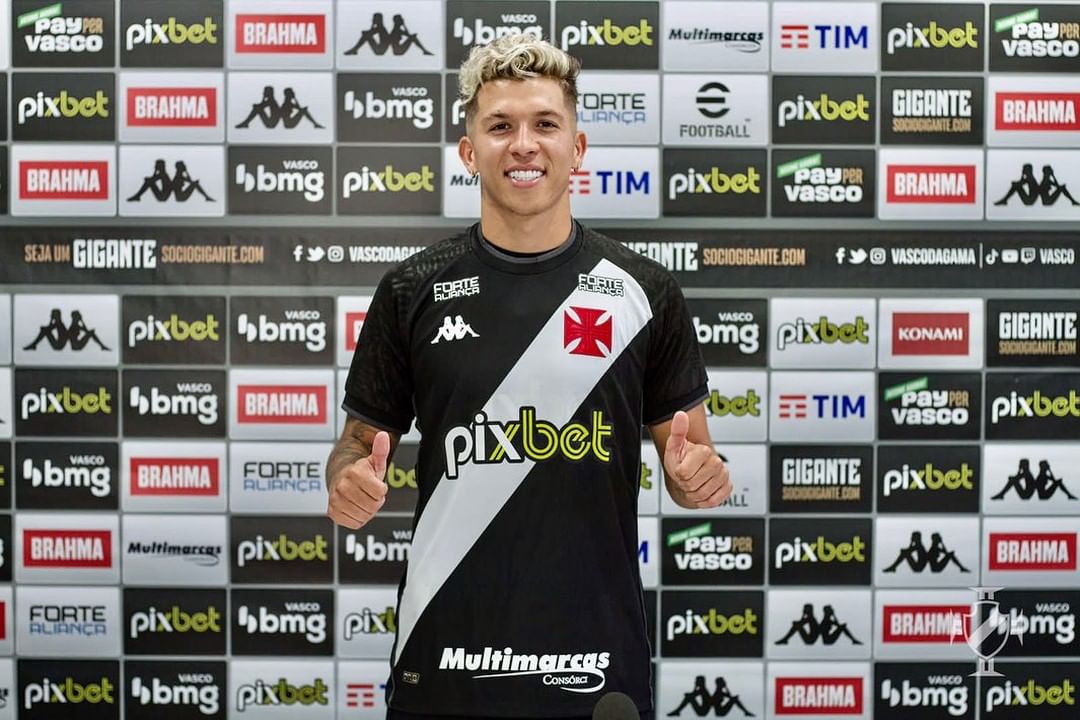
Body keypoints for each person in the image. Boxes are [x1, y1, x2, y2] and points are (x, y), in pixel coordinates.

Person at [326, 33, 729, 720]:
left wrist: (700, 480)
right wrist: (347, 482)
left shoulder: (645, 291)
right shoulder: (411, 289)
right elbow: (357, 445)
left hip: (595, 666)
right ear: (468, 151)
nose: (523, 145)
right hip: (446, 659)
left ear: (578, 147)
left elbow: (693, 464)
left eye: (545, 124)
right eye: (500, 126)